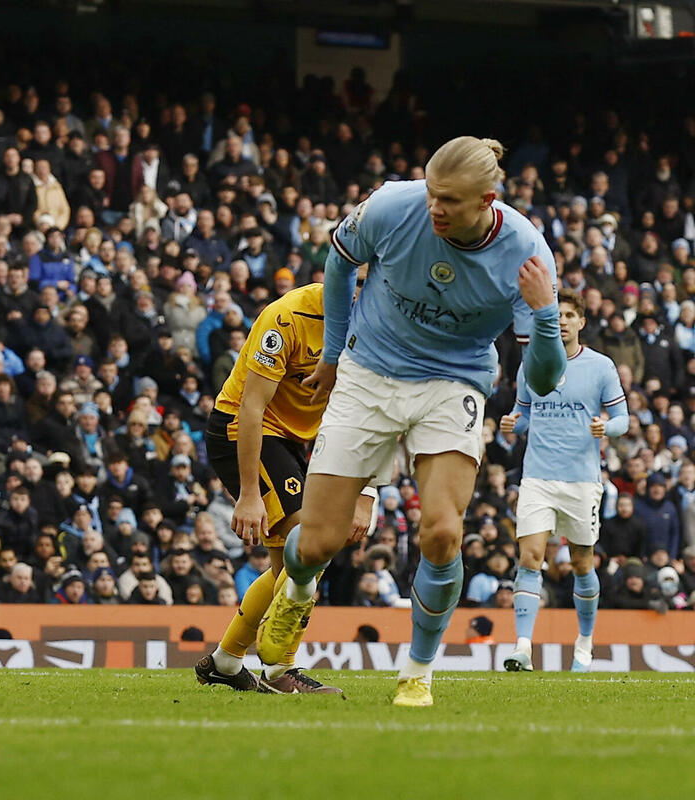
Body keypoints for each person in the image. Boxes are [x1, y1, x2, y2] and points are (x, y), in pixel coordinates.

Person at [258, 137, 565, 707]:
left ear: (487, 201)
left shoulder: (527, 255)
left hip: (454, 383)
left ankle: (418, 672)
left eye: (449, 200)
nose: (434, 208)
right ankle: (297, 588)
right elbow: (339, 263)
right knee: (317, 543)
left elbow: (544, 380)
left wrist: (546, 313)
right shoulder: (392, 205)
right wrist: (332, 353)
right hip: (368, 372)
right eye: (431, 193)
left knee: (444, 533)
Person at [194, 282, 376, 695]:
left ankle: (226, 661)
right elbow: (251, 406)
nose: (362, 291)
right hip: (243, 430)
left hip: (297, 438)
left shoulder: (376, 321)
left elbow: (373, 412)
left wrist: (368, 494)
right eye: (356, 279)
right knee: (309, 546)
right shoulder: (286, 317)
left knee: (288, 565)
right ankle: (280, 671)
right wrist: (249, 494)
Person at [499, 288, 628, 672]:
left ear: (581, 322)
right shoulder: (531, 365)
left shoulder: (601, 366)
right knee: (529, 558)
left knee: (582, 564)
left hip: (581, 481)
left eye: (569, 315)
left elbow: (623, 419)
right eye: (556, 315)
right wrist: (512, 423)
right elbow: (522, 414)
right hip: (537, 477)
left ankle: (584, 646)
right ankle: (523, 647)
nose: (562, 321)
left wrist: (606, 427)